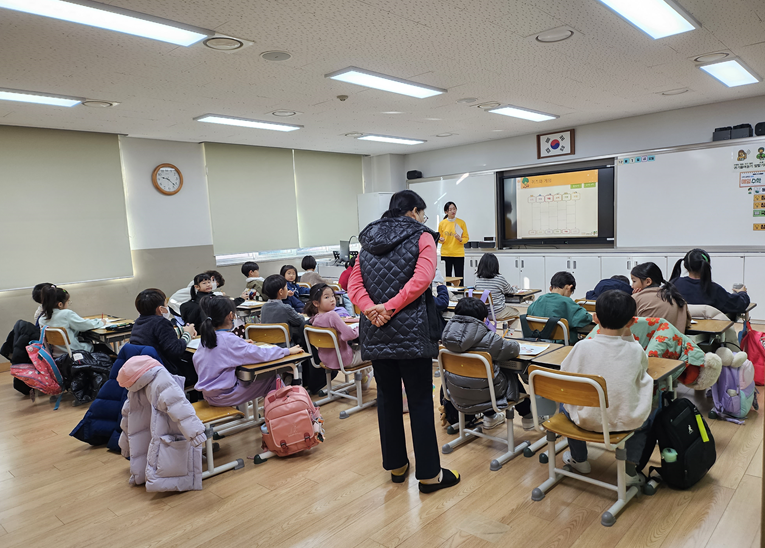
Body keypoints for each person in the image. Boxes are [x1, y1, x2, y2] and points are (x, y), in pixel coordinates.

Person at [349, 189, 460, 493]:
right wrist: (390, 307)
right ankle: (430, 476)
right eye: (423, 213)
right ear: (413, 211)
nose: (423, 219)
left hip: (375, 330)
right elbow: (422, 280)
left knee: (387, 398)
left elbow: (354, 285)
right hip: (412, 330)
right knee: (420, 399)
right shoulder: (423, 236)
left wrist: (372, 309)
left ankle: (397, 466)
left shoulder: (368, 240)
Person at [559, 290, 653, 486]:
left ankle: (579, 459)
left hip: (584, 420)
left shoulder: (582, 347)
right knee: (649, 413)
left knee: (565, 402)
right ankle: (629, 470)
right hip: (625, 422)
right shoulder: (636, 350)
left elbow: (565, 373)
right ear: (631, 322)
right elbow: (643, 370)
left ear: (595, 318)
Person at [192, 295, 302, 407]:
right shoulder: (229, 340)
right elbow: (260, 354)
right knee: (272, 378)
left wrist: (241, 343)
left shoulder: (207, 338)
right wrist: (286, 351)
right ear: (231, 315)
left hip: (210, 395)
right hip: (225, 396)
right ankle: (287, 411)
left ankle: (276, 411)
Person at [442, 297, 532, 429]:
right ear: (484, 319)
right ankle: (528, 417)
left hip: (456, 393)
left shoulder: (446, 335)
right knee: (507, 371)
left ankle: (490, 417)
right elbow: (513, 349)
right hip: (487, 395)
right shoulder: (489, 339)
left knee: (483, 374)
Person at [129, 288, 198, 380]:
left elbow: (160, 336)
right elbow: (176, 349)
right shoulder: (161, 322)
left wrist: (182, 330)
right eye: (166, 304)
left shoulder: (139, 321)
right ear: (160, 309)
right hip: (165, 372)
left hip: (146, 370)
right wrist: (188, 334)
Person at [670, 248, 750, 317]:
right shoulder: (714, 289)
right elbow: (739, 305)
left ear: (685, 265)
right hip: (708, 330)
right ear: (707, 265)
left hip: (678, 328)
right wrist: (742, 293)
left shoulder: (673, 284)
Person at [304, 283, 365, 371]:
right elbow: (349, 335)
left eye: (332, 296)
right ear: (316, 303)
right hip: (343, 359)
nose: (332, 299)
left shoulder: (314, 319)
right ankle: (366, 377)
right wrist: (359, 327)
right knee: (371, 351)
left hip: (326, 360)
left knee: (361, 349)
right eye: (326, 297)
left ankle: (364, 377)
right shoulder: (332, 315)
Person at [527, 272, 592, 345]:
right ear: (569, 287)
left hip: (538, 344)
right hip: (562, 345)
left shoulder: (537, 302)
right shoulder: (566, 302)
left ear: (551, 288)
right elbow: (585, 318)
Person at [37, 285, 105, 355]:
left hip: (56, 355)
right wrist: (100, 322)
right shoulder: (66, 314)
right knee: (103, 347)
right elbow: (85, 325)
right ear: (60, 304)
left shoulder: (42, 319)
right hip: (74, 352)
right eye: (68, 302)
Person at [631, 262, 691, 332]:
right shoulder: (677, 298)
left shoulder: (636, 298)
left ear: (648, 281)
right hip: (674, 338)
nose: (632, 286)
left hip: (646, 339)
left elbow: (626, 324)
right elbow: (687, 323)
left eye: (634, 281)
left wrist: (633, 298)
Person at [260, 274, 308, 348]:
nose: (287, 289)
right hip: (286, 346)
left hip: (269, 346)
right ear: (281, 292)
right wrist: (299, 315)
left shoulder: (264, 307)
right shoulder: (285, 308)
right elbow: (300, 321)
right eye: (286, 287)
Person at [473, 253, 519, 321]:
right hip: (497, 312)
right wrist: (515, 288)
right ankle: (509, 328)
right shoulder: (499, 278)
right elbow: (509, 291)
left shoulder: (477, 279)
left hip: (482, 313)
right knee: (516, 313)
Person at [438, 202, 469, 280]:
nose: (453, 211)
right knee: (446, 278)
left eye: (454, 209)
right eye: (450, 209)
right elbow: (439, 238)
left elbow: (466, 238)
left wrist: (460, 239)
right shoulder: (442, 223)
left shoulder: (461, 223)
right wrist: (440, 239)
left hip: (458, 254)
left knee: (459, 278)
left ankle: (459, 289)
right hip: (446, 254)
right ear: (446, 212)